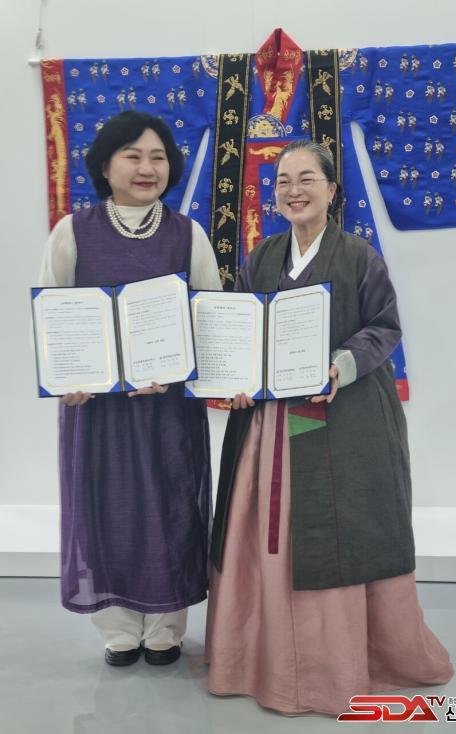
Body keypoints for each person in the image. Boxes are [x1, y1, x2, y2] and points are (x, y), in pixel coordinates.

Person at [205, 140, 453, 715]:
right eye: (283, 181)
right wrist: (235, 377)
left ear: (332, 190)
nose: (294, 190)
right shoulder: (262, 256)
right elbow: (240, 328)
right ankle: (259, 659)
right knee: (264, 533)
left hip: (341, 418)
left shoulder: (359, 256)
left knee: (335, 533)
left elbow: (384, 327)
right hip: (270, 423)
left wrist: (340, 365)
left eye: (307, 179)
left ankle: (333, 666)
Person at [38, 111, 221, 666]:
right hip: (98, 411)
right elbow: (52, 315)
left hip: (167, 409)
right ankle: (117, 629)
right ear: (104, 165)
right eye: (133, 156)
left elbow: (211, 319)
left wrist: (182, 370)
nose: (147, 168)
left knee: (171, 507)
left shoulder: (188, 234)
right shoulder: (72, 231)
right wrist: (65, 380)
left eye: (158, 157)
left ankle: (165, 628)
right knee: (107, 507)